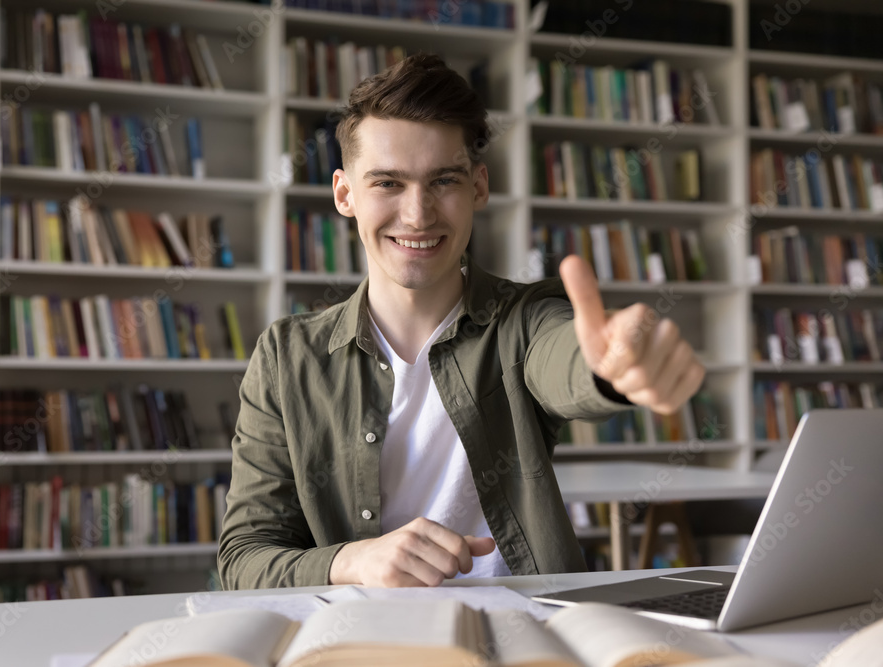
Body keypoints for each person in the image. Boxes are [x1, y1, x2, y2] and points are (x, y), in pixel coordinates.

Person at [218, 53, 705, 590]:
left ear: (478, 186)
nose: (418, 214)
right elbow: (244, 559)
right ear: (344, 194)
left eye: (443, 181)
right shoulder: (286, 357)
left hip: (525, 632)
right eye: (388, 184)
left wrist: (609, 368)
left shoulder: (525, 319)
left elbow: (565, 357)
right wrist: (353, 563)